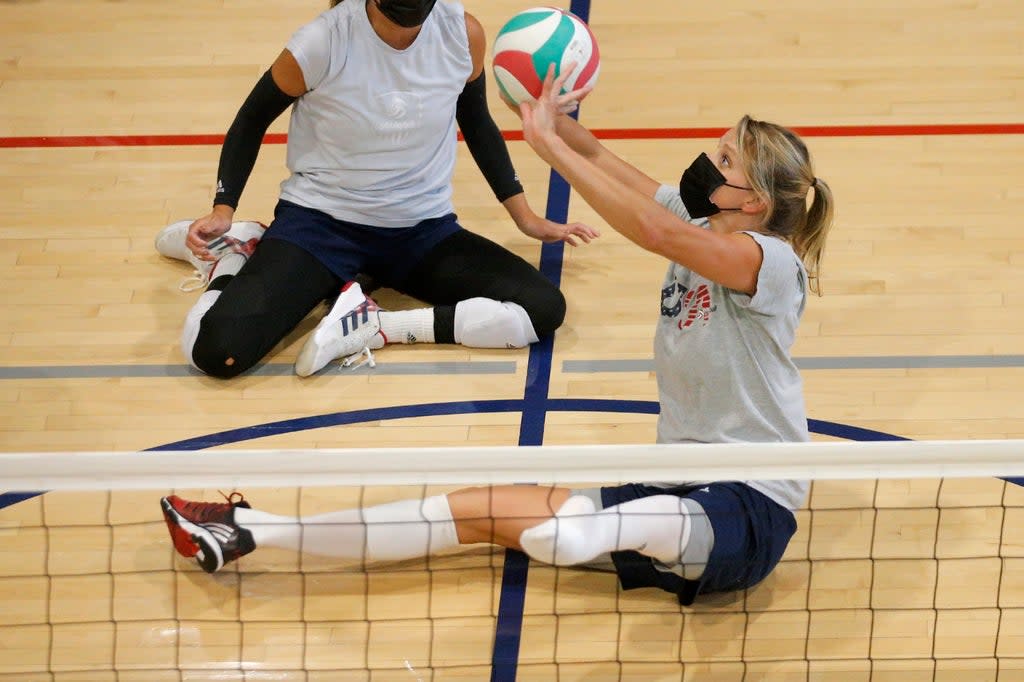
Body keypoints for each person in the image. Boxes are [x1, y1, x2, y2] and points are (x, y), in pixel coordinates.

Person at [159, 68, 834, 604]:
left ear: (753, 203)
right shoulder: (705, 223)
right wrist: (556, 123)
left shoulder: (768, 262)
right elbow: (609, 163)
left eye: (723, 159)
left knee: (570, 537)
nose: (704, 163)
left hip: (747, 504)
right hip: (678, 486)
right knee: (481, 508)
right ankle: (253, 531)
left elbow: (656, 232)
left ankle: (595, 533)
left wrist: (544, 152)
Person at [155, 0, 598, 378]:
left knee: (542, 307)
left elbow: (477, 122)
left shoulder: (461, 32)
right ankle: (233, 257)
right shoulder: (324, 41)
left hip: (422, 232)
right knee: (216, 353)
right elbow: (252, 118)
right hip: (320, 227)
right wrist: (223, 208)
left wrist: (525, 217)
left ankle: (378, 324)